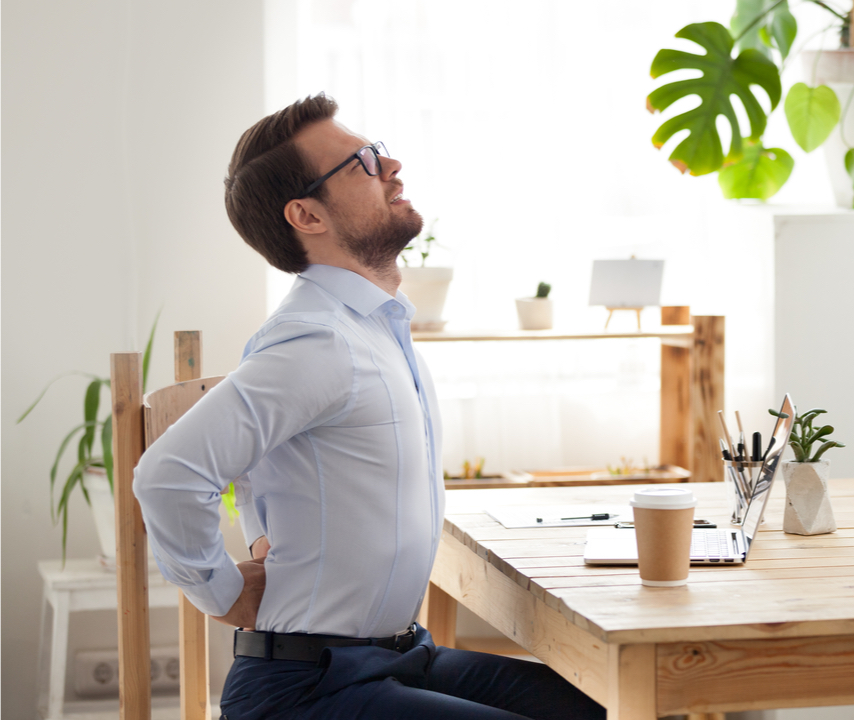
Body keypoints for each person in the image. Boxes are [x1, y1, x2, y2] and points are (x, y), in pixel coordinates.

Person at [133, 94, 605, 720]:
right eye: (363, 162)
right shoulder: (319, 341)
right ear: (307, 215)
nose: (392, 166)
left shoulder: (371, 328)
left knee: (610, 702)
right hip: (308, 689)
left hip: (398, 657)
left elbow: (255, 465)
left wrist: (263, 533)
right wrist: (222, 594)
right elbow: (168, 474)